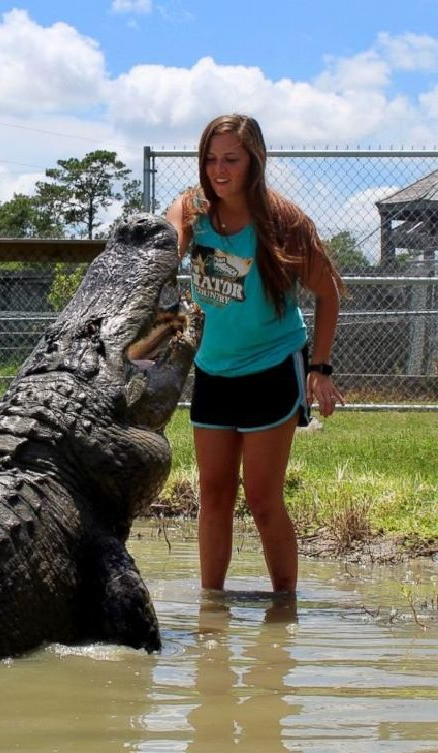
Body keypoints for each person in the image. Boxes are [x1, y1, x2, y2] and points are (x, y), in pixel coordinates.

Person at [165, 114, 345, 594]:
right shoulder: (193, 209)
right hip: (214, 369)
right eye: (210, 159)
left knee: (263, 500)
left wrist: (320, 368)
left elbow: (329, 292)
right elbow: (166, 248)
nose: (219, 170)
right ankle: (211, 609)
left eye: (231, 159)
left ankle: (285, 608)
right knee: (213, 494)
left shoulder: (284, 223)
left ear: (254, 162)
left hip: (272, 366)